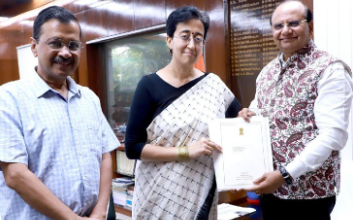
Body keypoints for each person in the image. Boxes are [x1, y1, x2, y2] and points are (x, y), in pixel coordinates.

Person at [0, 6, 120, 220]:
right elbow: (15, 174)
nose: (65, 52)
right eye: (55, 43)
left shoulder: (89, 98)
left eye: (73, 45)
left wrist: (100, 212)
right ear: (34, 47)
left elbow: (105, 156)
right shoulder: (8, 99)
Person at [238, 1, 353, 220]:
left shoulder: (330, 68)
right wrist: (248, 114)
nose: (285, 31)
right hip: (269, 188)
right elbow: (258, 109)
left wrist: (285, 175)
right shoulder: (267, 72)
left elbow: (333, 136)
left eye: (293, 23)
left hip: (309, 195)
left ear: (310, 27)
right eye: (278, 26)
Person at [125, 6, 241, 220]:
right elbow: (133, 148)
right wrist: (187, 151)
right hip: (157, 197)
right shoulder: (149, 85)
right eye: (185, 36)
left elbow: (237, 125)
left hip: (200, 193)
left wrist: (247, 119)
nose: (191, 44)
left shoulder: (213, 84)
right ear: (169, 40)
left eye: (198, 38)